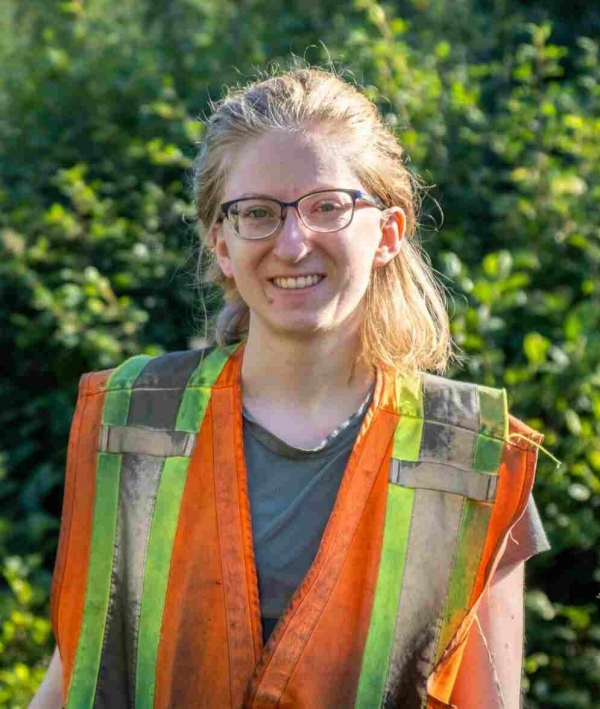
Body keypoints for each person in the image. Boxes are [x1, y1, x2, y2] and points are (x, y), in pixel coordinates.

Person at [33, 66, 550, 709]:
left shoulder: (466, 456)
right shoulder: (134, 424)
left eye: (327, 207)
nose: (293, 242)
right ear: (221, 243)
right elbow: (79, 680)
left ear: (388, 233)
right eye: (257, 213)